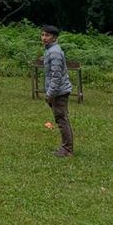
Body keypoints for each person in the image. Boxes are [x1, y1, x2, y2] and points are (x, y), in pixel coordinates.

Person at [42, 25, 74, 157]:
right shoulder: (51, 50)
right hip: (58, 91)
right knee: (61, 119)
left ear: (54, 37)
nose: (44, 38)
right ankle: (66, 147)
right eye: (42, 35)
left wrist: (50, 94)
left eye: (47, 35)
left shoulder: (54, 52)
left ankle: (67, 150)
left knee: (61, 120)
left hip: (59, 92)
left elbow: (56, 75)